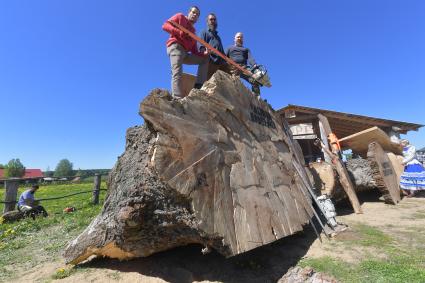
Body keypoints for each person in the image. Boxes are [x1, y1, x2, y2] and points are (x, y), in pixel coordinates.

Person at [162, 6, 209, 98]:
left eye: (197, 15)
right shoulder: (180, 17)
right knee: (177, 72)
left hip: (186, 53)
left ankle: (199, 85)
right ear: (189, 12)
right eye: (194, 12)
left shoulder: (193, 33)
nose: (195, 15)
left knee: (204, 60)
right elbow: (165, 26)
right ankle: (177, 98)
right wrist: (178, 31)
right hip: (176, 47)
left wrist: (204, 54)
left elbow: (194, 51)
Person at [199, 13, 228, 79]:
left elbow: (222, 51)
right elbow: (200, 44)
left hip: (220, 63)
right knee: (207, 82)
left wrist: (227, 61)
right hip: (210, 61)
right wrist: (204, 53)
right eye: (211, 19)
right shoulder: (204, 32)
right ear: (207, 22)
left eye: (214, 19)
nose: (213, 21)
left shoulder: (218, 37)